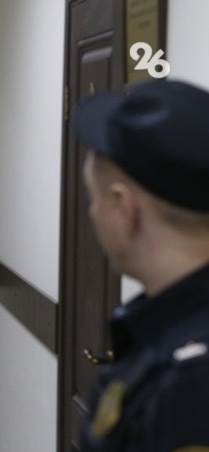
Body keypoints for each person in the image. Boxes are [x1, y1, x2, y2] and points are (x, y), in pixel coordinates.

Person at [72, 79, 209, 451]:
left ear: (124, 209)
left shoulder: (190, 382)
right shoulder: (165, 332)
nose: (92, 214)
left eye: (93, 198)